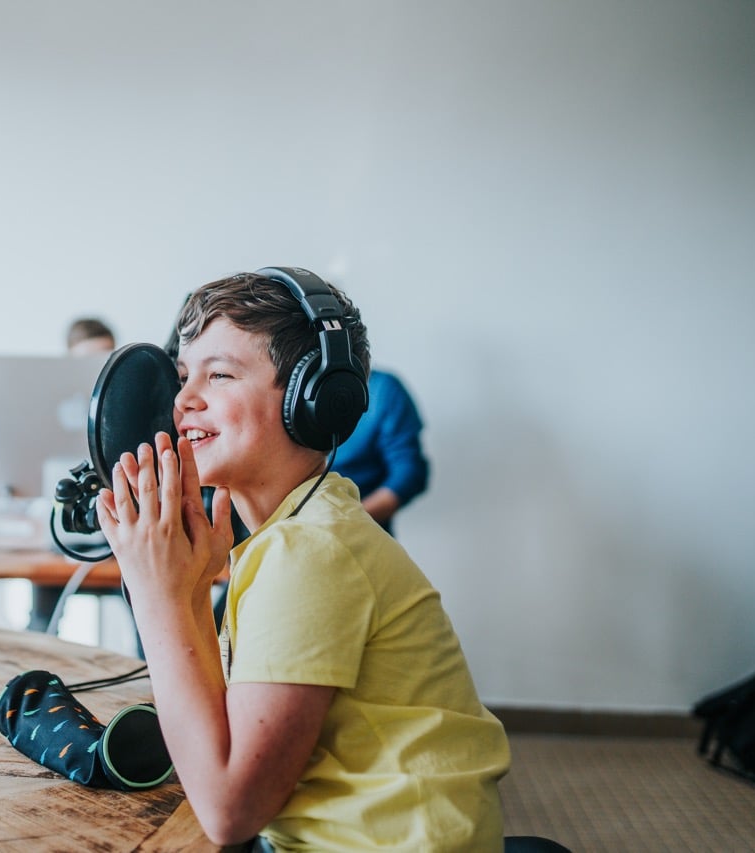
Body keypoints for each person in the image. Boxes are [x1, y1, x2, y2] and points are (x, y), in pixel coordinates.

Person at [94, 270, 508, 851]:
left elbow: (229, 810)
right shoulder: (296, 530)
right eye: (184, 376)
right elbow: (226, 733)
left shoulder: (308, 553)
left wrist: (154, 592)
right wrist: (185, 588)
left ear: (310, 400)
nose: (184, 400)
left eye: (220, 375)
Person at [330, 367, 429, 534]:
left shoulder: (384, 389)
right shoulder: (282, 389)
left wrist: (348, 524)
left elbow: (409, 472)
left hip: (362, 534)